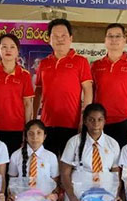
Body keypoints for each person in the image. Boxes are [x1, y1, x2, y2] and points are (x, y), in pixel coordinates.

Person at [59, 103, 120, 201]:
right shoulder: (74, 142)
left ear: (105, 121)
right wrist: (71, 195)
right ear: (85, 121)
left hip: (106, 187)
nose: (96, 124)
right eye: (91, 120)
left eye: (99, 120)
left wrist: (116, 195)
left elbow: (116, 173)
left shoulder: (113, 143)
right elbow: (65, 173)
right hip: (79, 187)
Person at [35, 19, 93, 156]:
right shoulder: (44, 63)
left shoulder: (81, 61)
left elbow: (88, 91)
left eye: (63, 36)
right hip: (47, 124)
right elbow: (38, 93)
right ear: (49, 39)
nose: (60, 39)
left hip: (72, 124)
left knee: (70, 163)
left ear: (71, 38)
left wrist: (84, 119)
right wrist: (33, 119)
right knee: (48, 163)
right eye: (55, 36)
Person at [0, 34, 34, 156]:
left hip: (16, 128)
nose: (8, 50)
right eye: (4, 46)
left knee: (14, 163)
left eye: (12, 47)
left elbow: (28, 104)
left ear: (17, 51)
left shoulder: (24, 75)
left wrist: (27, 128)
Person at [92, 23, 127, 148]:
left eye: (118, 36)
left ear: (124, 40)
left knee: (122, 158)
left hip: (124, 122)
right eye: (110, 36)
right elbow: (90, 95)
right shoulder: (96, 65)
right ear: (105, 40)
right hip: (99, 122)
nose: (114, 39)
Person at [8, 119, 59, 201]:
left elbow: (55, 183)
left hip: (44, 200)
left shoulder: (51, 157)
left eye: (39, 133)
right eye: (31, 133)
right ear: (26, 137)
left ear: (44, 136)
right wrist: (11, 195)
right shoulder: (16, 155)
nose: (35, 137)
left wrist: (54, 196)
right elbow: (12, 181)